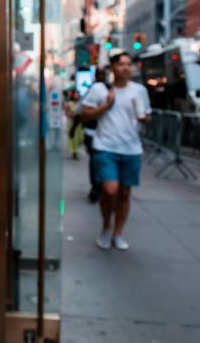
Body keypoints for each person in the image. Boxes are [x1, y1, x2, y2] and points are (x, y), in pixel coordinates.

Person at [81, 52, 151, 251]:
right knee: (109, 190)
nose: (126, 68)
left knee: (124, 192)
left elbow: (147, 115)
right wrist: (106, 106)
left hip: (131, 149)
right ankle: (106, 227)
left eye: (129, 64)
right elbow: (85, 115)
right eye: (121, 64)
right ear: (112, 68)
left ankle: (118, 233)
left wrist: (144, 119)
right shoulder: (99, 89)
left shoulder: (140, 91)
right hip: (105, 147)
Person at [82, 68, 107, 203]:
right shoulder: (96, 89)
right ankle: (96, 186)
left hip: (103, 133)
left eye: (103, 74)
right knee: (95, 160)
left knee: (99, 161)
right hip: (93, 132)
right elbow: (85, 113)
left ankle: (99, 185)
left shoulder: (106, 89)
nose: (102, 76)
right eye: (100, 74)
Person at [65, 89, 83, 160]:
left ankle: (76, 150)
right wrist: (72, 115)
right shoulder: (69, 104)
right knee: (74, 137)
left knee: (80, 137)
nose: (77, 96)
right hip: (72, 123)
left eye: (78, 94)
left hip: (79, 123)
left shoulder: (81, 104)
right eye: (75, 94)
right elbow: (66, 113)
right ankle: (74, 152)